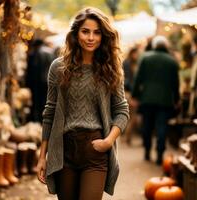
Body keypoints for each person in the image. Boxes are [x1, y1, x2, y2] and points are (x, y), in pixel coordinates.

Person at [36, 7, 130, 200]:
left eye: (96, 32)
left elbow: (122, 110)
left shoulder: (111, 69)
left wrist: (108, 142)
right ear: (76, 33)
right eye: (85, 31)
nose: (90, 37)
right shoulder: (58, 68)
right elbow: (50, 112)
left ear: (103, 36)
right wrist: (42, 156)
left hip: (95, 151)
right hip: (64, 151)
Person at [131, 35, 180, 165]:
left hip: (147, 99)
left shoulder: (145, 58)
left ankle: (147, 151)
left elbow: (138, 79)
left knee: (147, 126)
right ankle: (159, 154)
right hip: (165, 100)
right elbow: (175, 83)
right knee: (162, 127)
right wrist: (176, 99)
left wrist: (135, 95)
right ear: (166, 46)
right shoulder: (172, 61)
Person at [26, 39, 54, 122]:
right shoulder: (50, 52)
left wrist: (29, 83)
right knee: (46, 102)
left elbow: (34, 69)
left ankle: (38, 120)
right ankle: (45, 120)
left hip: (39, 82)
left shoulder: (37, 52)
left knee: (38, 103)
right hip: (48, 81)